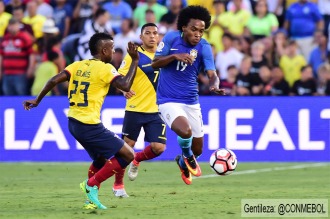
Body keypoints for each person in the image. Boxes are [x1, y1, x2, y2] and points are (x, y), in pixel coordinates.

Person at [23, 32, 139, 209]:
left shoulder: (77, 65)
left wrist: (37, 100)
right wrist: (135, 60)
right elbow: (125, 85)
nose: (114, 51)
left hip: (74, 123)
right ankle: (91, 184)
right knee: (128, 154)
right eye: (113, 48)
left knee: (100, 159)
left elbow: (54, 79)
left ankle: (90, 200)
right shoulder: (105, 68)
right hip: (89, 124)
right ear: (105, 50)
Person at [151, 5, 225, 185]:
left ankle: (182, 160)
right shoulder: (170, 38)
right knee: (185, 131)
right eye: (194, 29)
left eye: (201, 30)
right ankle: (188, 158)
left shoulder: (204, 47)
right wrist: (175, 57)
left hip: (191, 101)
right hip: (167, 99)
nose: (198, 34)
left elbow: (212, 74)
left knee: (197, 149)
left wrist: (214, 85)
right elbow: (155, 63)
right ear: (184, 27)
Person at [112, 23, 166, 197]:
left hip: (156, 110)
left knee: (159, 148)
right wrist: (123, 90)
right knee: (126, 148)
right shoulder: (133, 55)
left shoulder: (165, 55)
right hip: (134, 109)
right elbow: (118, 78)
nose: (152, 36)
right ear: (141, 37)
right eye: (148, 33)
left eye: (155, 33)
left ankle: (138, 159)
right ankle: (118, 185)